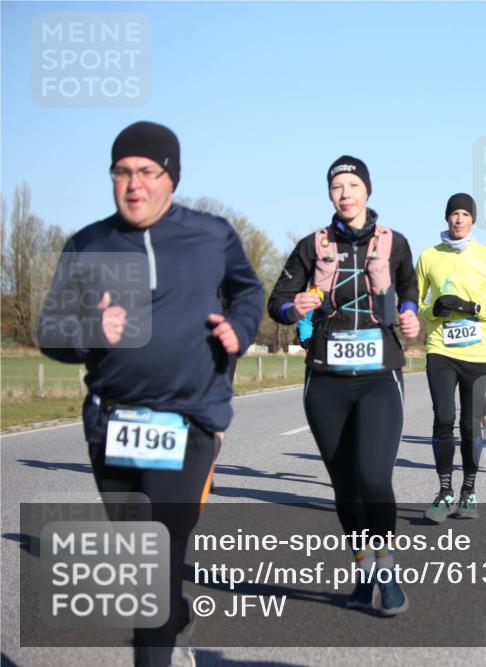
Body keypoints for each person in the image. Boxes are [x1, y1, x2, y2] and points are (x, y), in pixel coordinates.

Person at [37, 121, 264, 667]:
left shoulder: (211, 236)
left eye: (146, 172)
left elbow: (249, 290)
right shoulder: (88, 244)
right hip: (112, 424)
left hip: (188, 420)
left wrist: (240, 328)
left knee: (155, 558)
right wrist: (91, 331)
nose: (133, 184)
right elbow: (49, 330)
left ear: (171, 178)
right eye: (122, 172)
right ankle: (172, 618)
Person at [268, 155, 419, 615]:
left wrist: (409, 314)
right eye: (337, 187)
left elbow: (409, 290)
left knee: (373, 476)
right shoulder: (311, 245)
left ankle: (386, 570)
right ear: (330, 195)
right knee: (345, 485)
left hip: (378, 377)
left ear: (367, 190)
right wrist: (294, 307)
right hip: (326, 380)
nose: (345, 193)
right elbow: (277, 303)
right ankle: (362, 567)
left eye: (353, 185)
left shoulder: (394, 243)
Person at [416, 193, 486, 522]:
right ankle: (444, 492)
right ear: (446, 218)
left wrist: (474, 308)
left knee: (471, 424)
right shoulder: (429, 256)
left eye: (464, 214)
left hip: (478, 351)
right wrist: (434, 309)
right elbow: (414, 303)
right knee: (444, 417)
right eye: (454, 214)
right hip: (441, 348)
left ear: (473, 220)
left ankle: (468, 490)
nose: (459, 219)